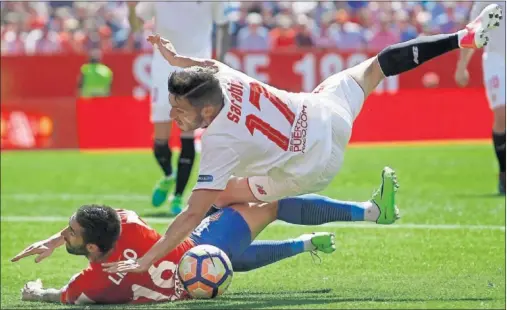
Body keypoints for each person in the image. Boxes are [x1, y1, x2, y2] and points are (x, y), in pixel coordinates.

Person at [104, 4, 502, 276]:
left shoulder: (217, 144)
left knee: (222, 198)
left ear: (207, 113)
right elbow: (201, 65)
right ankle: (461, 38)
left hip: (310, 169)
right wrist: (176, 61)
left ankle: (359, 214)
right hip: (325, 114)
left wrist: (147, 260)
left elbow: (190, 213)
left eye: (180, 110)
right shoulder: (221, 75)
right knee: (377, 66)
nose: (174, 116)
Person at [12, 194, 377, 304]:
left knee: (225, 260)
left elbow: (60, 295)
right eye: (69, 231)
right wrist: (58, 239)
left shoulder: (92, 283)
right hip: (200, 250)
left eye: (69, 230)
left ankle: (304, 244)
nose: (65, 232)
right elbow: (118, 217)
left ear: (93, 246)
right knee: (270, 204)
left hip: (192, 281)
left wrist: (33, 293)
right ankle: (368, 212)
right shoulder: (133, 226)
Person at [128, 1, 230, 214]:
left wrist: (220, 61)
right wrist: (130, 7)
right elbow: (137, 26)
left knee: (188, 135)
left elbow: (223, 24)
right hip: (161, 72)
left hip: (195, 72)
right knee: (160, 141)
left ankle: (177, 196)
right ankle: (168, 176)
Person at [455, 1, 505, 194]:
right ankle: (504, 172)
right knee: (502, 114)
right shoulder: (484, 2)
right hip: (495, 59)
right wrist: (462, 66)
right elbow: (473, 32)